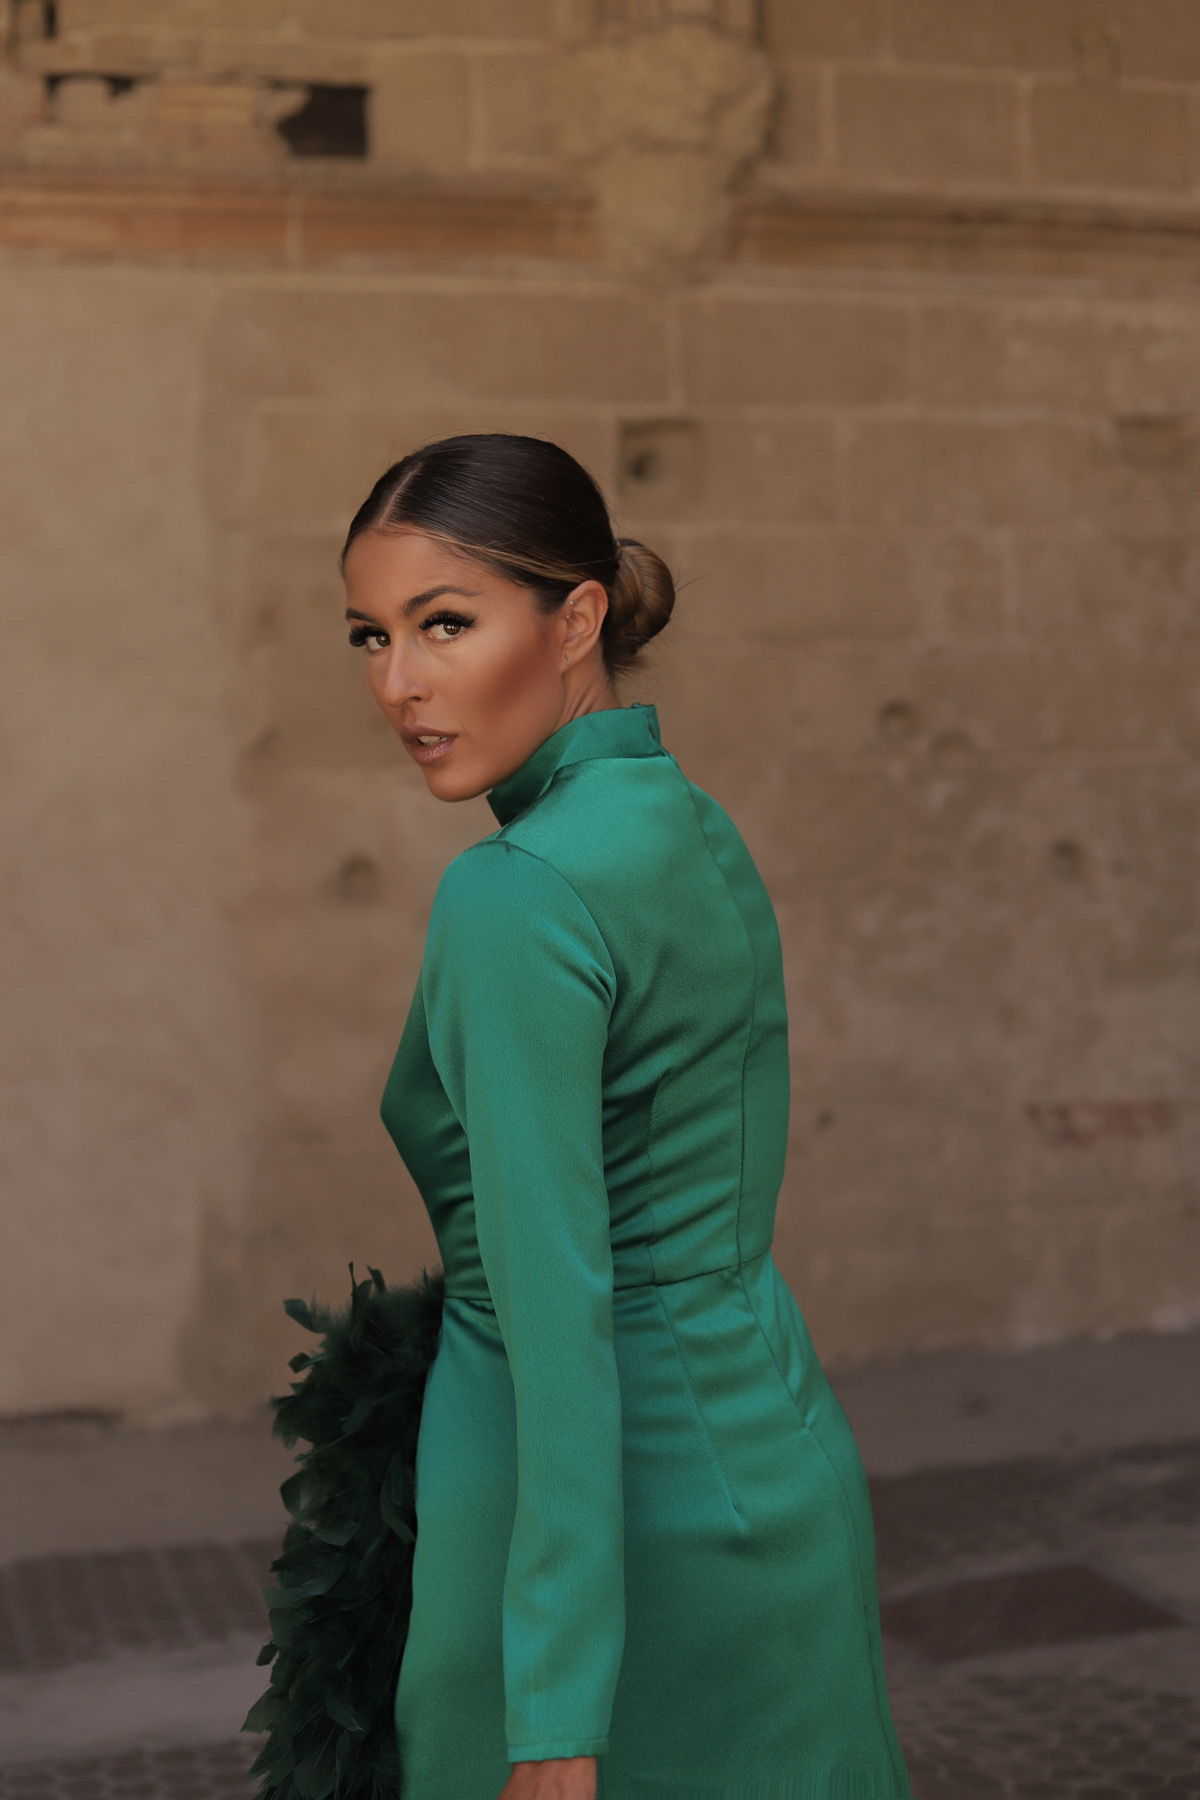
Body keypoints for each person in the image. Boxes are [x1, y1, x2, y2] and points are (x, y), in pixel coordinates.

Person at [340, 434, 912, 1800]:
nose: (399, 682)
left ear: (578, 618)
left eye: (445, 623)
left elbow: (558, 1318)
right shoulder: (687, 822)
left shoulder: (515, 894)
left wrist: (552, 1709)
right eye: (371, 635)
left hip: (572, 1540)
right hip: (770, 1468)